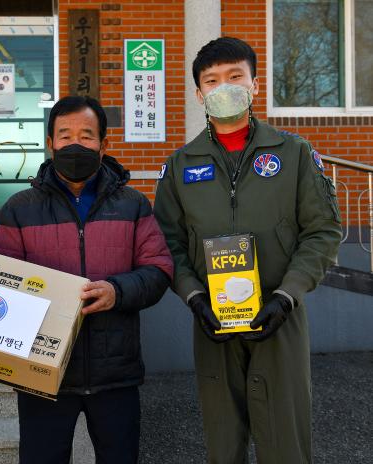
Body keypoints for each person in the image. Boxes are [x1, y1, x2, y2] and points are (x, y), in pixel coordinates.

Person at [153, 37, 342, 463]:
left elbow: (323, 232)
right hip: (214, 321)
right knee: (223, 440)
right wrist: (193, 296)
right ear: (199, 93)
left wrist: (287, 294)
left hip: (281, 315)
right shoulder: (181, 166)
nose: (225, 87)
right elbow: (168, 243)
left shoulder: (293, 154)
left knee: (286, 440)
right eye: (212, 80)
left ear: (255, 84)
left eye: (235, 76)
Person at [0, 95, 174, 464]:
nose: (75, 144)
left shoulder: (132, 204)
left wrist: (117, 291)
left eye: (87, 135)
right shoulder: (21, 208)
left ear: (103, 144)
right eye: (65, 135)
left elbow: (158, 269)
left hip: (115, 373)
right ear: (50, 143)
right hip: (42, 373)